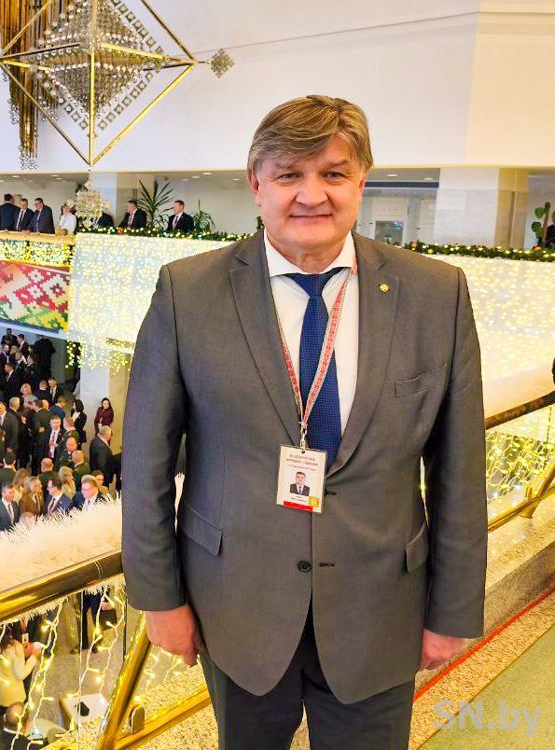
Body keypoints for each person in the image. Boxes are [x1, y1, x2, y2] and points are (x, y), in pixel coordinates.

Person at [122, 95, 486, 750]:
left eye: (333, 173)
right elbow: (145, 462)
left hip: (380, 612)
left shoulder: (436, 294)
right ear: (256, 184)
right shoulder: (187, 292)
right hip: (236, 609)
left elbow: (460, 471)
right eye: (290, 174)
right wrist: (159, 599)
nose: (312, 195)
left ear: (361, 182)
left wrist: (453, 607)